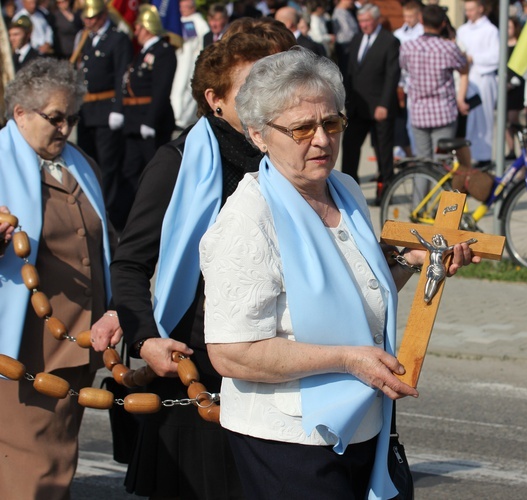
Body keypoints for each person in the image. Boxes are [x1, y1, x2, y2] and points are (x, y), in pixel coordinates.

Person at [198, 47, 479, 500]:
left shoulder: (344, 188)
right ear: (258, 135)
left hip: (363, 423)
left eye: (331, 123)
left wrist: (417, 262)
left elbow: (361, 288)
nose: (322, 140)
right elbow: (232, 353)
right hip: (289, 440)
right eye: (301, 128)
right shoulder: (247, 219)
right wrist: (348, 358)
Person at [91, 27, 297, 500]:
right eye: (252, 88)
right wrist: (145, 339)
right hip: (195, 370)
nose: (268, 99)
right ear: (215, 99)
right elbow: (129, 265)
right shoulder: (177, 163)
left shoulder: (289, 160)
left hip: (275, 364)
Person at [0, 58, 115, 500]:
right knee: (30, 469)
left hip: (78, 341)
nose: (65, 127)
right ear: (20, 114)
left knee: (58, 460)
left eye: (72, 117)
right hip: (24, 347)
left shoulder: (79, 163)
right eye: (55, 118)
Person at [74, 0, 132, 232]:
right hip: (87, 110)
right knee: (86, 161)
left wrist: (118, 108)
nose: (89, 22)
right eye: (86, 18)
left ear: (103, 14)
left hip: (107, 108)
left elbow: (121, 76)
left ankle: (106, 212)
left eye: (93, 18)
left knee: (107, 166)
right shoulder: (85, 38)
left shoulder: (117, 38)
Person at [119, 5, 176, 229]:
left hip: (151, 121)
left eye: (139, 27)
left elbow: (161, 89)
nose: (136, 31)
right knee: (131, 170)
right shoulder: (143, 52)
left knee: (154, 172)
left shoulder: (163, 51)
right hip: (135, 120)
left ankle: (157, 219)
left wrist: (150, 120)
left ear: (146, 28)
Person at [342, 4, 400, 191]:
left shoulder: (389, 41)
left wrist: (384, 104)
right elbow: (351, 71)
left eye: (367, 21)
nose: (364, 25)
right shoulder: (357, 38)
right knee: (350, 148)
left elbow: (392, 75)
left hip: (379, 107)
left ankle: (385, 191)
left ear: (376, 20)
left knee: (383, 153)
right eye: (360, 21)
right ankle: (349, 190)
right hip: (358, 107)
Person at [399, 4, 468, 160]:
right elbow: (464, 69)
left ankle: (420, 185)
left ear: (421, 20)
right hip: (443, 111)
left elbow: (404, 68)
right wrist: (461, 98)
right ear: (443, 23)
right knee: (442, 162)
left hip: (418, 111)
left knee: (423, 161)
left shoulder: (408, 47)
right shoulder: (448, 48)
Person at [456, 0, 499, 165]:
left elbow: (496, 57)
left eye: (471, 10)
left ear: (481, 9)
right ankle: (467, 155)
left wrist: (473, 58)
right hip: (465, 80)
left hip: (482, 79)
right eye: (466, 10)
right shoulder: (463, 30)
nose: (468, 13)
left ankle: (483, 156)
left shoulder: (491, 30)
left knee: (483, 119)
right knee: (467, 121)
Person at [171, 0, 209, 130]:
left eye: (186, 7)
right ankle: (176, 114)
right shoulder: (178, 20)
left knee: (187, 88)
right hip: (179, 60)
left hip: (190, 61)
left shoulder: (198, 22)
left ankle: (183, 118)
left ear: (192, 8)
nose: (183, 10)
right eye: (181, 7)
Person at [393, 0, 423, 158]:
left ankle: (416, 150)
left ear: (418, 15)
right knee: (403, 119)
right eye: (405, 16)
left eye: (411, 16)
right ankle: (403, 149)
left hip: (417, 81)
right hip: (402, 82)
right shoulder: (398, 34)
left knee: (414, 119)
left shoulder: (422, 33)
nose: (407, 19)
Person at [506, 16, 524, 160]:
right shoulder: (501, 45)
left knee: (513, 119)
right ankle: (511, 149)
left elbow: (522, 67)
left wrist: (513, 82)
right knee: (505, 121)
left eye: (510, 27)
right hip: (504, 88)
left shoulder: (520, 45)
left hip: (516, 88)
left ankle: (522, 144)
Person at [332, 0, 358, 79]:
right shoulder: (338, 13)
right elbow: (347, 32)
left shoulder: (347, 12)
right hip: (345, 47)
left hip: (351, 45)